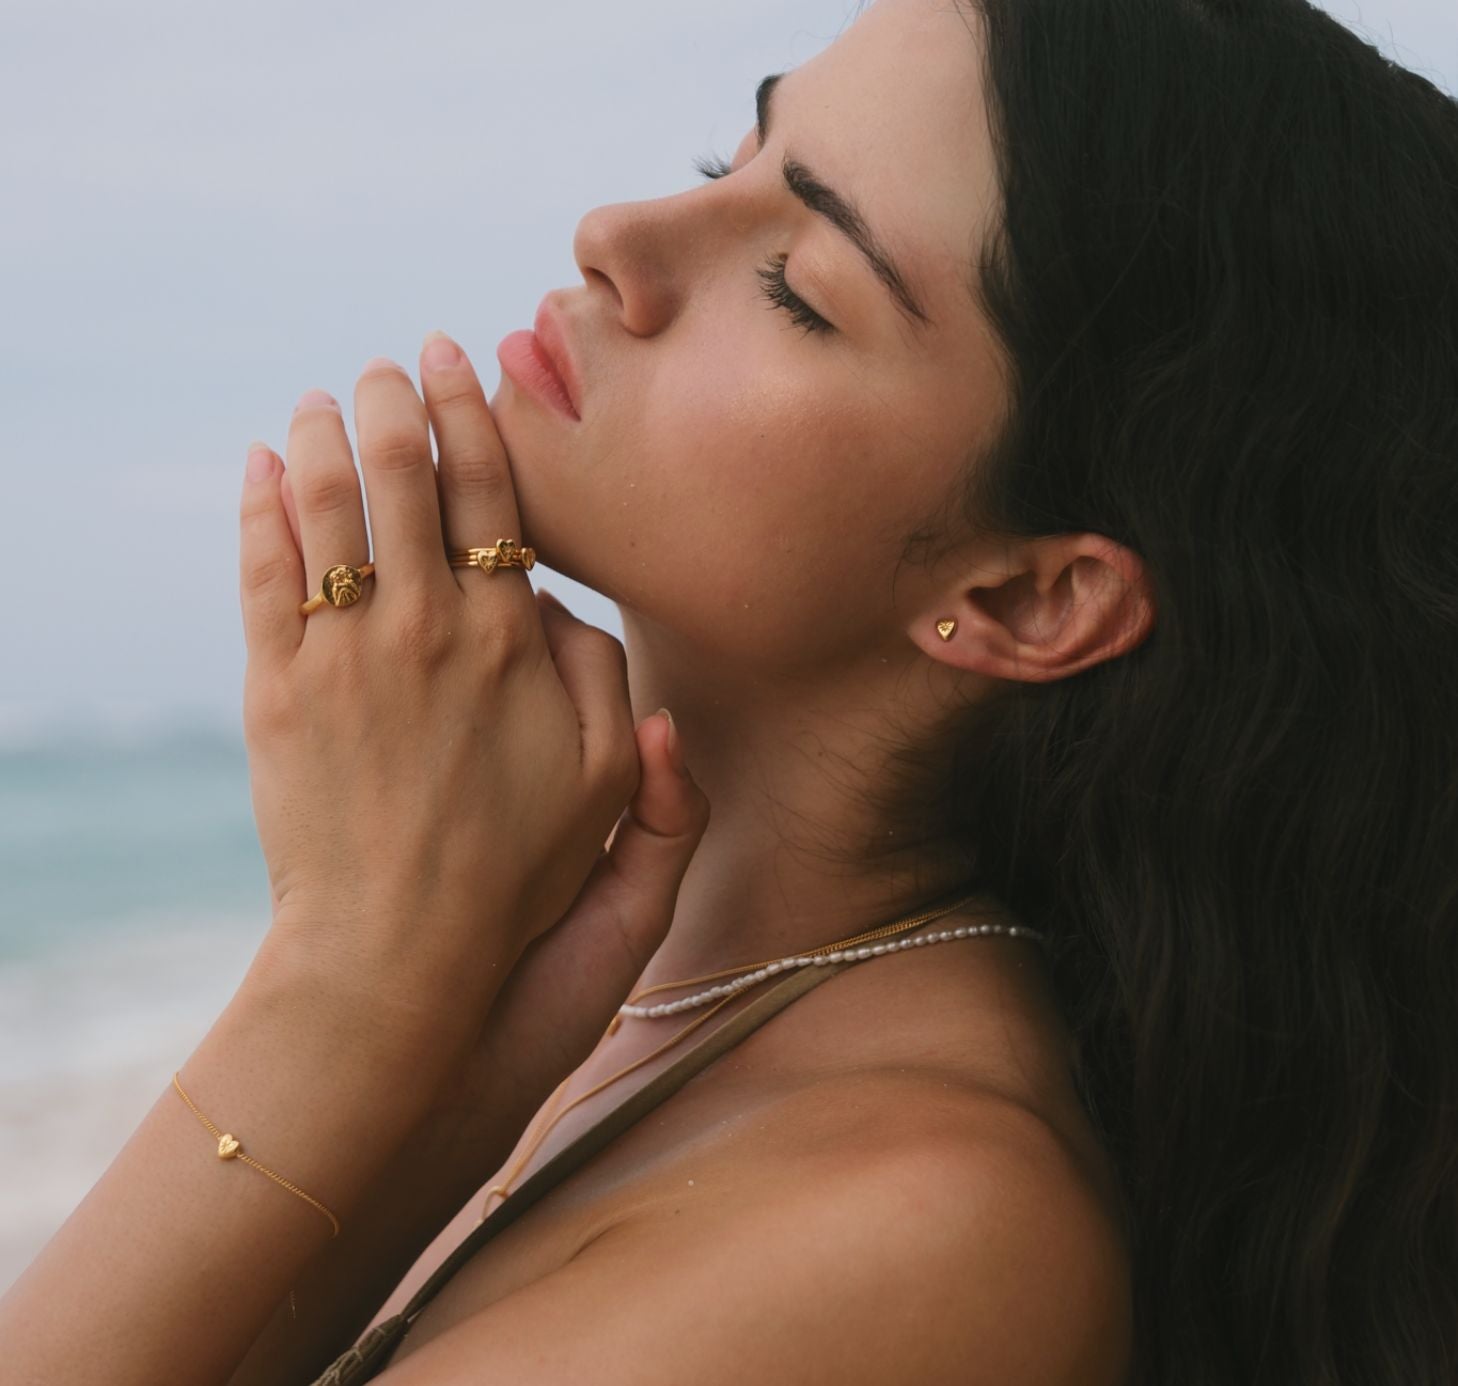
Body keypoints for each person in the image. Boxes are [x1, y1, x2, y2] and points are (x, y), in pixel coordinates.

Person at [4, 0, 1455, 1380]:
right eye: (733, 155)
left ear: (1024, 597)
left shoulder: (926, 1227)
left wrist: (341, 977)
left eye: (794, 288)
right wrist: (421, 1064)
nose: (615, 236)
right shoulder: (640, 1013)